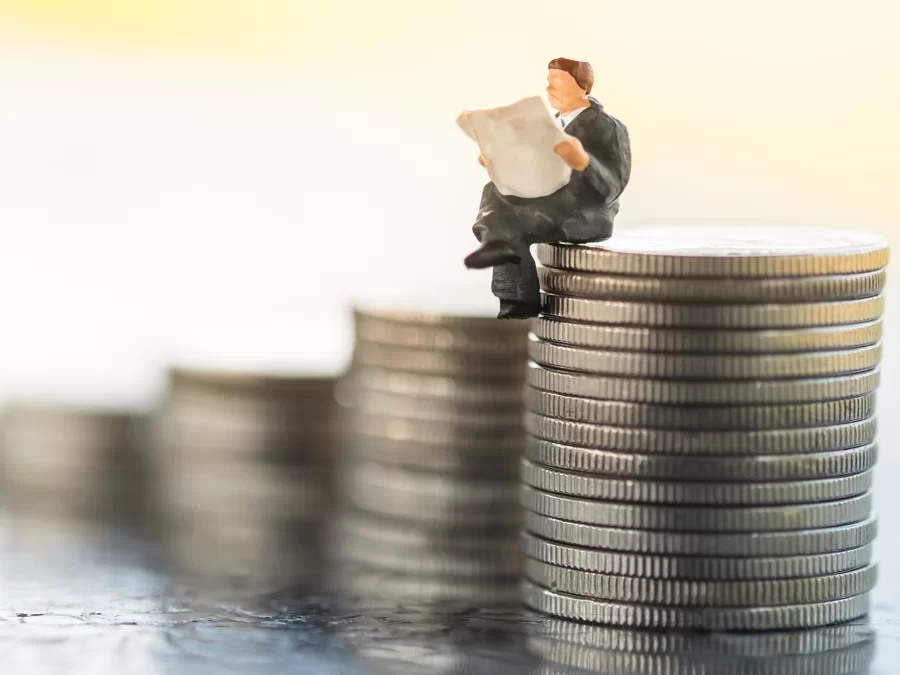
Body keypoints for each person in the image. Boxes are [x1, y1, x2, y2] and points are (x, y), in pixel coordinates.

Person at [464, 58, 631, 319]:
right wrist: (497, 161)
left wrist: (583, 162)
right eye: (548, 80)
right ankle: (509, 280)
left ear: (582, 87)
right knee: (493, 192)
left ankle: (516, 296)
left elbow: (612, 188)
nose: (549, 87)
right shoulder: (546, 124)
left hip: (582, 211)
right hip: (544, 199)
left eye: (557, 81)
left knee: (507, 224)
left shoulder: (609, 127)